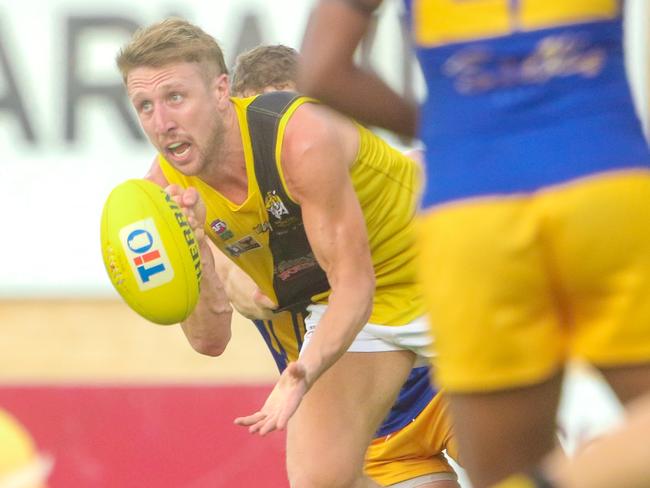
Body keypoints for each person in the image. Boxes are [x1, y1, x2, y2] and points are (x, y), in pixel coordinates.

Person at [299, 1, 650, 487]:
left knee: (504, 472)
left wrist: (449, 134)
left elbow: (320, 71)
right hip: (604, 181)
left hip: (472, 207)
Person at [116, 19, 454, 488]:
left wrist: (300, 375)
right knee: (318, 480)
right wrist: (193, 249)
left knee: (516, 463)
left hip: (444, 278)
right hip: (360, 316)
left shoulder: (300, 136)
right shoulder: (166, 193)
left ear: (221, 92)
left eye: (175, 98)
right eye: (144, 106)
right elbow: (210, 340)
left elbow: (349, 283)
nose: (161, 122)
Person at [228, 43, 460, 488]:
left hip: (441, 391)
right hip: (366, 427)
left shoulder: (376, 179)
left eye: (297, 120)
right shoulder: (237, 232)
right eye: (263, 129)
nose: (281, 142)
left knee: (529, 461)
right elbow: (250, 294)